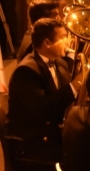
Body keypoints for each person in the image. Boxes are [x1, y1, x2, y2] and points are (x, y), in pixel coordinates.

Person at [6, 18, 83, 170]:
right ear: (47, 43)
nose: (68, 41)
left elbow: (65, 102)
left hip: (52, 133)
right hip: (32, 143)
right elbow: (44, 110)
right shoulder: (26, 71)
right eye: (62, 37)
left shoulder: (60, 63)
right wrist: (75, 86)